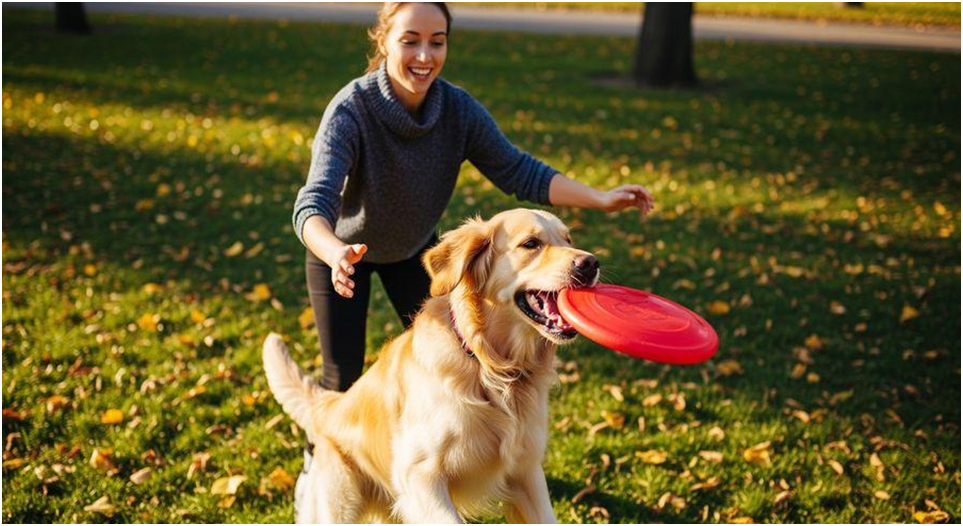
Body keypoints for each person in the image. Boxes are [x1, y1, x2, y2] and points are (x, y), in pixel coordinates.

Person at [290, 2, 653, 519]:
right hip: (344, 250)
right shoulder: (352, 108)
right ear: (384, 41)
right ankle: (319, 473)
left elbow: (517, 170)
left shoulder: (456, 110)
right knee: (343, 377)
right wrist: (334, 252)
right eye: (410, 39)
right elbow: (314, 200)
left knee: (450, 360)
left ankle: (485, 454)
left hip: (415, 249)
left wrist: (599, 197)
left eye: (437, 41)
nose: (424, 54)